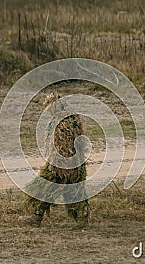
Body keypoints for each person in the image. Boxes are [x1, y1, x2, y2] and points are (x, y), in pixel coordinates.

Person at [22, 92, 89, 227]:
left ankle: (36, 218)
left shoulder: (64, 123)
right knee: (73, 191)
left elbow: (64, 146)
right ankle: (81, 219)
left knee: (45, 189)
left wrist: (59, 165)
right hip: (73, 163)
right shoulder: (72, 118)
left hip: (61, 165)